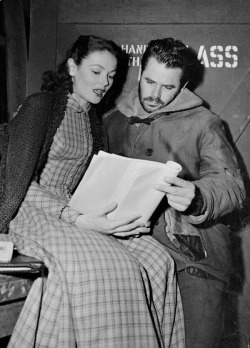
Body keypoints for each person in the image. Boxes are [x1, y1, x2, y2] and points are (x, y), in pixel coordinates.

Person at [0, 35, 185, 347]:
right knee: (113, 263)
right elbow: (13, 181)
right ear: (73, 66)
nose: (105, 83)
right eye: (96, 72)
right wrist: (76, 217)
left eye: (111, 76)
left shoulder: (93, 121)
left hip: (75, 209)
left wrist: (124, 214)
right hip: (31, 209)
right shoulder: (40, 106)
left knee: (157, 259)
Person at [103, 37, 246, 348]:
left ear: (183, 87)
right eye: (150, 81)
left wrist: (198, 197)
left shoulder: (204, 123)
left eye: (167, 87)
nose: (155, 94)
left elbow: (232, 185)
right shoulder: (111, 121)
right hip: (126, 254)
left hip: (193, 256)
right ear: (139, 75)